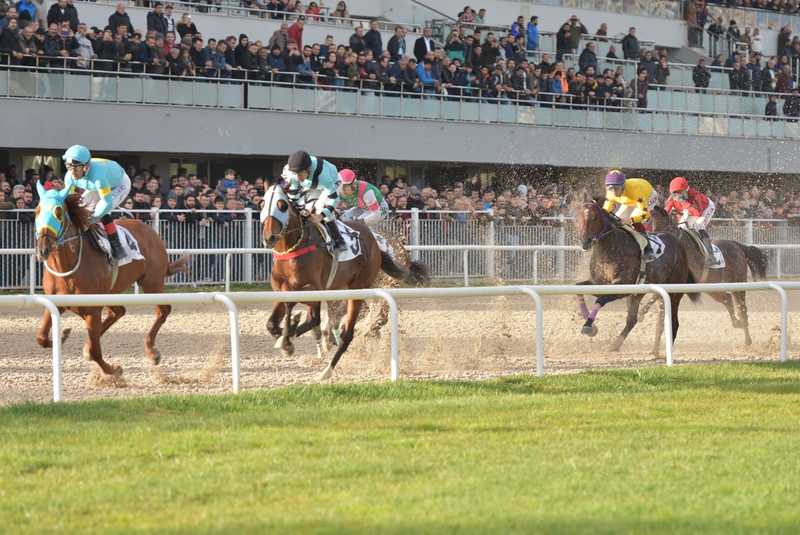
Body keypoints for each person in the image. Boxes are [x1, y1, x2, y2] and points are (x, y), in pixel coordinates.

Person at [62, 145, 131, 260]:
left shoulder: (98, 177)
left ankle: (117, 246)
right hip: (96, 185)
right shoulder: (69, 176)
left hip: (118, 184)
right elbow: (71, 200)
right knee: (81, 207)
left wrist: (92, 219)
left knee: (99, 211)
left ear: (86, 166)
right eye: (69, 166)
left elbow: (107, 202)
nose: (73, 172)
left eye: (76, 168)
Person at [282, 150, 345, 250]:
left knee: (320, 207)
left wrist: (321, 216)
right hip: (312, 184)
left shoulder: (325, 178)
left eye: (300, 174)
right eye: (295, 174)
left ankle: (338, 239)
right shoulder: (291, 173)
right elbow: (294, 196)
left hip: (332, 182)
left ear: (308, 170)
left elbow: (334, 199)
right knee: (303, 206)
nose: (298, 177)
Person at [602, 170, 657, 261]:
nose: (614, 192)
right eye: (611, 188)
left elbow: (645, 215)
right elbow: (606, 211)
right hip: (629, 200)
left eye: (617, 188)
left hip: (647, 196)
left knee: (635, 220)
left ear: (623, 187)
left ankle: (648, 248)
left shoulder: (636, 192)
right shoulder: (610, 193)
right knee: (617, 220)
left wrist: (631, 220)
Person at [664, 176, 715, 264]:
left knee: (698, 225)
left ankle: (710, 255)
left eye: (679, 193)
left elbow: (697, 214)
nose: (676, 196)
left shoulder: (695, 196)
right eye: (674, 193)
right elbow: (665, 212)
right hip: (688, 210)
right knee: (681, 227)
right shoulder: (673, 198)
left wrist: (684, 204)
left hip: (706, 208)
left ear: (685, 190)